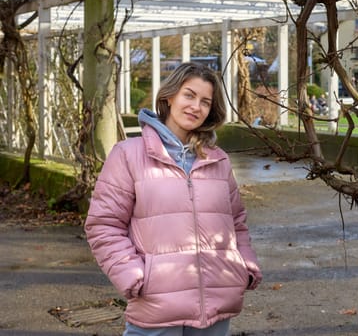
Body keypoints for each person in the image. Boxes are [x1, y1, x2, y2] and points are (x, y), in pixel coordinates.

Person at [84, 62, 262, 336]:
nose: (196, 107)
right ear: (169, 97)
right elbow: (104, 225)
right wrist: (133, 275)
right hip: (156, 307)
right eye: (189, 95)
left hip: (216, 307)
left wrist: (245, 266)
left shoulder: (218, 160)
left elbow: (236, 223)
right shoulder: (128, 154)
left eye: (205, 101)